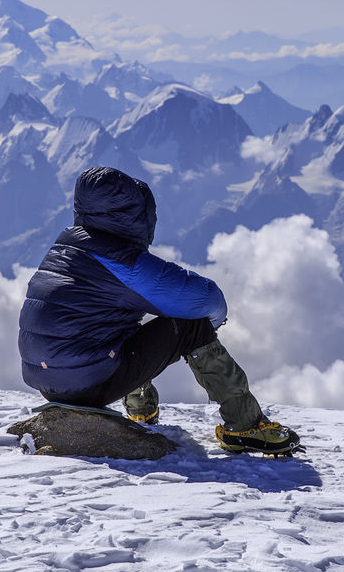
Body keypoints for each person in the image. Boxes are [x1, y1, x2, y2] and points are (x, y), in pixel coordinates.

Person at [18, 165, 300, 455]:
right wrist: (204, 330)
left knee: (118, 320)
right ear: (135, 216)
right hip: (88, 384)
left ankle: (141, 412)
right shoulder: (124, 264)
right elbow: (209, 301)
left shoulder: (63, 249)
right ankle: (245, 426)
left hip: (48, 382)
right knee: (190, 324)